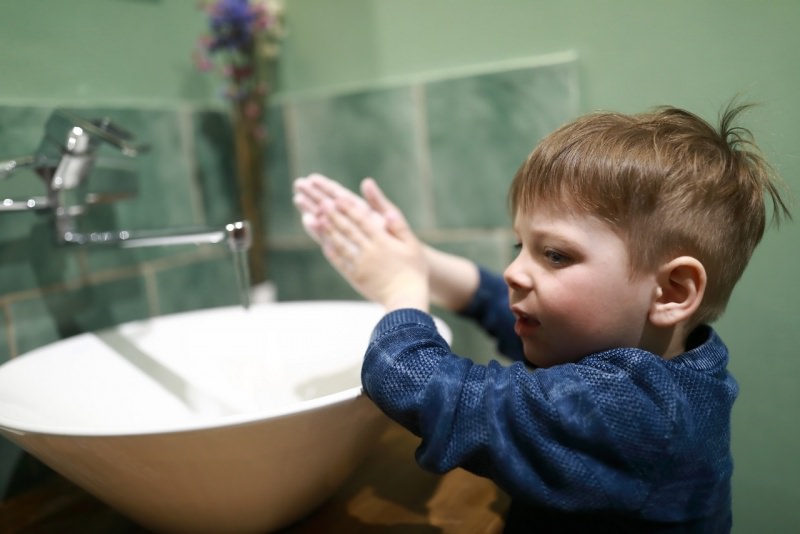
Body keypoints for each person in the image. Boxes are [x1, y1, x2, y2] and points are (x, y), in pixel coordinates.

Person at [292, 103, 790, 533]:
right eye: (519, 246)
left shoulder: (636, 412)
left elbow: (433, 392)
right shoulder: (673, 359)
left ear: (672, 290)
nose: (513, 271)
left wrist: (398, 290)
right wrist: (422, 264)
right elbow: (510, 310)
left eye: (553, 255)